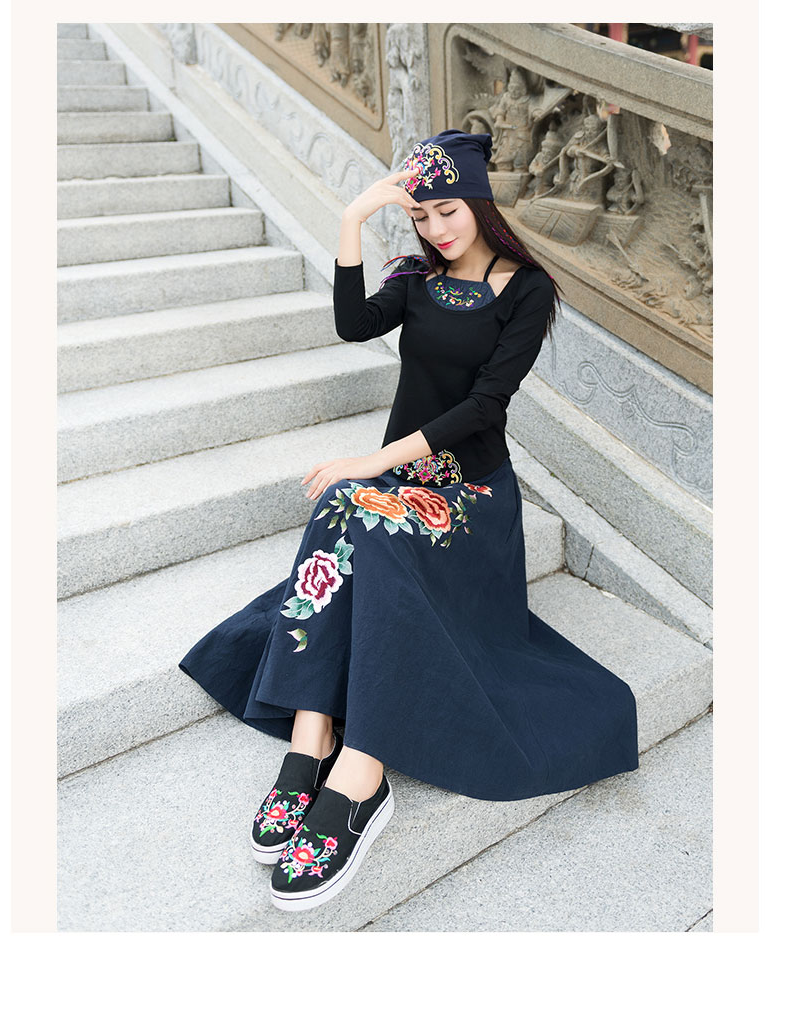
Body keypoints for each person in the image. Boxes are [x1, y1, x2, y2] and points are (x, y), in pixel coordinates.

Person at [178, 129, 640, 914]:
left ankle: (362, 776)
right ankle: (311, 739)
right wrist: (352, 221)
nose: (437, 229)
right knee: (343, 506)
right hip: (397, 482)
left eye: (448, 211)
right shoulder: (414, 277)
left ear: (480, 204)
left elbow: (485, 405)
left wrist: (372, 459)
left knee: (366, 515)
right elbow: (353, 325)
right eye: (421, 216)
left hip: (471, 495)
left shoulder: (527, 289)